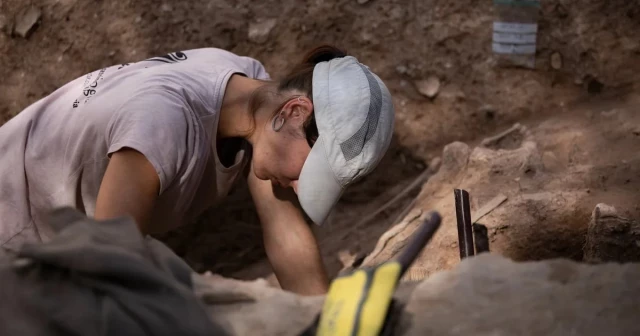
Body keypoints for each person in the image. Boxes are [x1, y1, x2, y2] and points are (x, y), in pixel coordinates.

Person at [0, 45, 395, 295]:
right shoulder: (163, 123)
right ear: (294, 112)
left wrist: (328, 323)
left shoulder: (249, 94)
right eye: (306, 174)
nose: (297, 186)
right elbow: (107, 270)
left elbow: (286, 234)